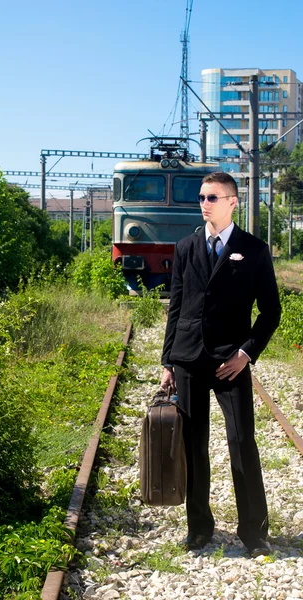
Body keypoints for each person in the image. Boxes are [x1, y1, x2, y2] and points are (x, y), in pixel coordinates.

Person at [160, 171, 281, 558]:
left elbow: (271, 312)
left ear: (233, 202)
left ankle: (254, 532)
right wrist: (168, 361)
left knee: (242, 441)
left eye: (212, 197)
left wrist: (245, 353)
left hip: (232, 361)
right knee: (193, 445)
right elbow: (175, 308)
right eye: (201, 197)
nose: (204, 203)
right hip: (189, 358)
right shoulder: (185, 247)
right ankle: (199, 529)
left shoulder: (255, 250)